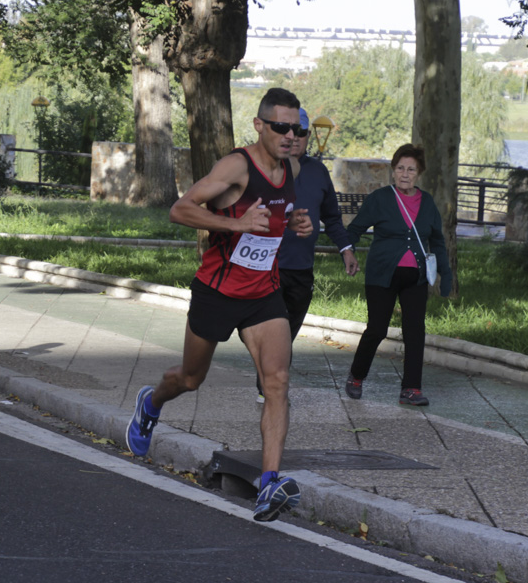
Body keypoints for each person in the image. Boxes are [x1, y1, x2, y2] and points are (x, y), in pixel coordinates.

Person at [125, 88, 314, 522]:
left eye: (297, 128)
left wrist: (297, 223)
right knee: (190, 378)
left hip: (264, 293)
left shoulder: (293, 168)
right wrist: (236, 223)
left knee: (278, 381)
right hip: (218, 290)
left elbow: (279, 214)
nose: (290, 136)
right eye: (281, 127)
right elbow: (180, 209)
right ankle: (151, 403)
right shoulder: (236, 166)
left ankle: (269, 484)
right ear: (260, 126)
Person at [251, 107, 359, 403]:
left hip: (301, 267)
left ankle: (269, 376)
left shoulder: (317, 171)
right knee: (274, 329)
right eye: (287, 131)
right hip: (266, 266)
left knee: (288, 330)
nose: (294, 138)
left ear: (307, 136)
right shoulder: (262, 168)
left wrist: (346, 250)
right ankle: (270, 386)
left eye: (300, 132)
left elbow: (333, 218)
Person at [342, 143, 451, 407]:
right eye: (400, 168)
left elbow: (437, 240)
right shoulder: (380, 198)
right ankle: (356, 376)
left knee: (415, 330)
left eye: (411, 169)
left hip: (415, 277)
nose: (405, 173)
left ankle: (411, 389)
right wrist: (348, 253)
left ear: (418, 173)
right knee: (377, 329)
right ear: (393, 171)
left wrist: (445, 273)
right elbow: (355, 229)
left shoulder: (426, 203)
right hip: (382, 275)